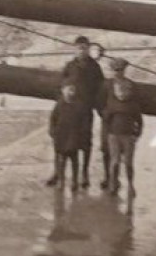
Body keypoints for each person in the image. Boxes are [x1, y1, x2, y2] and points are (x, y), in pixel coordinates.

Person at [61, 36, 108, 187]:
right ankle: (63, 174)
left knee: (86, 142)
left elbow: (100, 89)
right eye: (79, 48)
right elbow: (61, 85)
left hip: (86, 110)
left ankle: (84, 173)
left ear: (88, 49)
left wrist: (100, 109)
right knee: (68, 141)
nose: (82, 51)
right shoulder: (69, 66)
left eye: (84, 48)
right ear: (75, 49)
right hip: (71, 110)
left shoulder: (94, 67)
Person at [101, 58, 144, 194]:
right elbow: (103, 112)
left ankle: (130, 185)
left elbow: (139, 119)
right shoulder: (107, 86)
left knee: (128, 163)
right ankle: (113, 184)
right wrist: (106, 133)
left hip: (128, 135)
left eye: (120, 70)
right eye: (115, 70)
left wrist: (137, 134)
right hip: (113, 134)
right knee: (114, 162)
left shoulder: (133, 97)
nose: (118, 72)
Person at [46, 81, 92, 189]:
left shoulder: (79, 105)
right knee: (62, 160)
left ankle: (74, 181)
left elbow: (83, 122)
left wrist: (82, 134)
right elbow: (53, 118)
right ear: (63, 91)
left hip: (73, 136)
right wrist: (52, 131)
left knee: (74, 160)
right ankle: (61, 180)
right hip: (61, 136)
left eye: (72, 90)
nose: (70, 93)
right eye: (68, 90)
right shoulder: (59, 104)